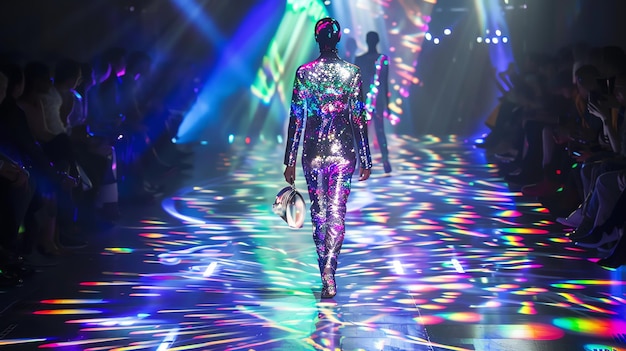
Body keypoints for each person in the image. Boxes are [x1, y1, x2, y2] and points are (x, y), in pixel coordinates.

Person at [283, 18, 372, 299]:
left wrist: (289, 160)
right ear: (339, 39)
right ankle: (329, 272)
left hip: (312, 152)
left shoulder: (304, 73)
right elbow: (358, 118)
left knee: (319, 214)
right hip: (343, 152)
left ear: (316, 38)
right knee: (336, 213)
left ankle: (326, 270)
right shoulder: (352, 73)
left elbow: (297, 119)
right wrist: (366, 158)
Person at [355, 31, 392, 173]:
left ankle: (367, 162)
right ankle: (383, 161)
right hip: (371, 100)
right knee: (372, 131)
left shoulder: (362, 59)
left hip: (370, 100)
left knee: (366, 132)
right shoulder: (381, 59)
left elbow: (384, 83)